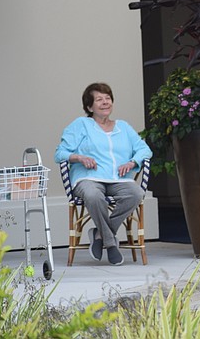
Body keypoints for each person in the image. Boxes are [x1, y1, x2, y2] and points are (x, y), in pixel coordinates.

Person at [54, 82, 152, 265]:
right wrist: (79, 157)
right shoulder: (81, 125)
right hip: (88, 178)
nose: (105, 102)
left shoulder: (123, 127)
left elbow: (144, 150)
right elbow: (60, 153)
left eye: (108, 98)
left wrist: (132, 162)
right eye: (99, 99)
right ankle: (111, 244)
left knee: (136, 193)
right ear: (90, 107)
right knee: (93, 195)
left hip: (118, 179)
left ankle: (99, 235)